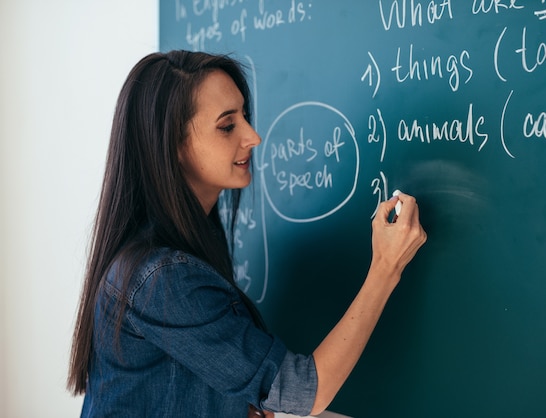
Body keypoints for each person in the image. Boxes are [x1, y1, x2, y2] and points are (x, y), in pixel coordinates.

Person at [67, 50, 427, 417]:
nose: (253, 137)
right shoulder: (164, 278)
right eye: (227, 126)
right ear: (173, 146)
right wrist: (386, 267)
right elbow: (305, 391)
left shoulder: (169, 257)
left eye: (245, 117)